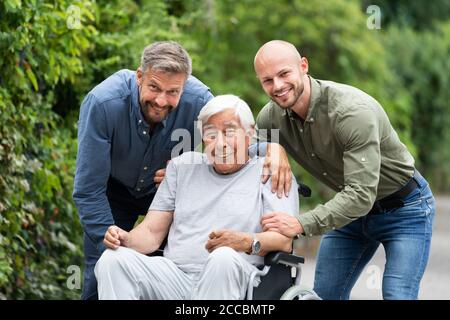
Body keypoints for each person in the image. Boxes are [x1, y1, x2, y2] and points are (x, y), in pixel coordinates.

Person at [73, 41, 292, 300]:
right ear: (139, 76)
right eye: (154, 87)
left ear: (185, 86)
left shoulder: (200, 101)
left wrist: (272, 148)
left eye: (173, 91)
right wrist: (113, 237)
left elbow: (229, 128)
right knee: (106, 262)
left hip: (167, 197)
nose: (161, 99)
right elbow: (89, 190)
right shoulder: (103, 103)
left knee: (217, 260)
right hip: (115, 191)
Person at [253, 40, 436, 300]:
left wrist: (300, 223)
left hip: (406, 209)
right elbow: (246, 162)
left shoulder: (351, 112)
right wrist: (273, 149)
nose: (278, 86)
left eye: (284, 74)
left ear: (303, 66)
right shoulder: (269, 120)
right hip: (350, 213)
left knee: (398, 294)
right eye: (267, 80)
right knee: (326, 295)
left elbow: (361, 195)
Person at [94, 95, 299, 300]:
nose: (220, 144)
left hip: (236, 278)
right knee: (113, 259)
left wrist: (245, 241)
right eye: (211, 135)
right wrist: (125, 238)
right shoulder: (182, 167)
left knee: (223, 256)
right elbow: (151, 231)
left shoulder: (271, 171)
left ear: (250, 133)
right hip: (174, 277)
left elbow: (283, 240)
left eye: (229, 132)